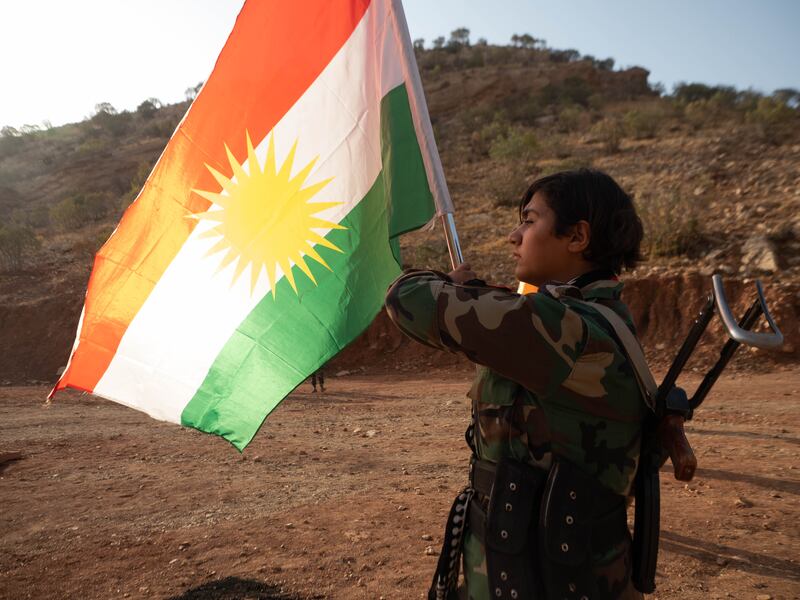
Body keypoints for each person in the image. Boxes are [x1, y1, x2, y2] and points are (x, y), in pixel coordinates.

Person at [385, 169, 647, 600]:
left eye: (530, 220)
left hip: (543, 574)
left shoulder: (564, 328)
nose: (513, 235)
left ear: (578, 236)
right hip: (547, 563)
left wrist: (451, 287)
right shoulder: (598, 317)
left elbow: (407, 300)